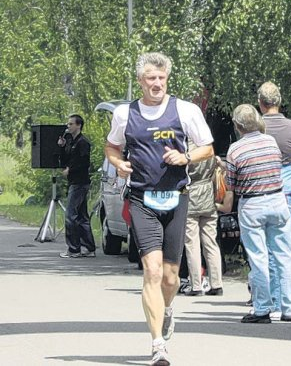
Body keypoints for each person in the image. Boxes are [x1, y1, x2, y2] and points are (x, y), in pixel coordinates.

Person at [105, 52, 214, 366]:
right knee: (151, 272)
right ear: (141, 81)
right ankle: (157, 345)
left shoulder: (185, 110)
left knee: (170, 278)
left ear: (167, 79)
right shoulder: (126, 114)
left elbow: (207, 147)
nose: (156, 84)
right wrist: (117, 163)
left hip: (176, 198)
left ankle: (167, 310)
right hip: (141, 198)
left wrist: (186, 158)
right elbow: (112, 146)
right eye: (151, 79)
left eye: (161, 78)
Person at [224, 104, 291, 323]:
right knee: (284, 255)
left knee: (258, 257)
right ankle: (290, 307)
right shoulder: (270, 142)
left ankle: (263, 307)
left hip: (252, 204)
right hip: (277, 199)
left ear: (238, 125)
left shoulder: (235, 150)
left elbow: (231, 184)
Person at [257, 81, 291, 310]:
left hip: (266, 178)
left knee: (267, 241)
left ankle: (272, 293)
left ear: (260, 103)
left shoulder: (257, 128)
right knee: (290, 236)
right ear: (279, 101)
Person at [184, 145, 223, 296]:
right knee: (210, 242)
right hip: (208, 194)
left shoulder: (187, 151)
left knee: (192, 243)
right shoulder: (209, 149)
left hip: (191, 194)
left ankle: (196, 285)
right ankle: (217, 283)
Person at [58, 114, 96, 259]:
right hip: (73, 181)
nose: (68, 127)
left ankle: (74, 249)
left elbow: (84, 163)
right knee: (82, 216)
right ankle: (89, 247)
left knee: (70, 216)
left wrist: (70, 170)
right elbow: (65, 160)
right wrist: (62, 147)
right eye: (68, 124)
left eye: (71, 124)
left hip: (80, 182)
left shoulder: (83, 142)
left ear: (78, 125)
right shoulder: (70, 142)